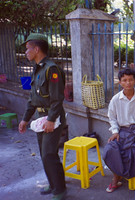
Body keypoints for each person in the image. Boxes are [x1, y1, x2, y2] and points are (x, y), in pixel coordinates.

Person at [18, 33, 67, 200]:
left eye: (27, 49)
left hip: (52, 119)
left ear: (36, 49)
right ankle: (53, 184)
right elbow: (33, 98)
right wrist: (25, 119)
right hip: (40, 118)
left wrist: (51, 120)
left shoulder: (51, 69)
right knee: (44, 153)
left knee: (49, 154)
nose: (26, 53)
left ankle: (60, 190)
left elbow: (57, 99)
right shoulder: (37, 69)